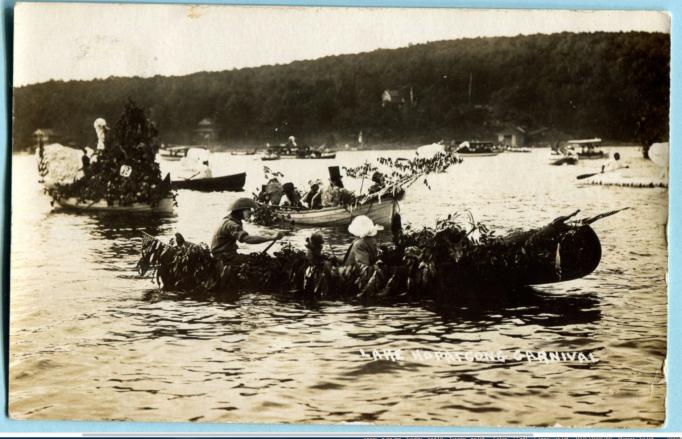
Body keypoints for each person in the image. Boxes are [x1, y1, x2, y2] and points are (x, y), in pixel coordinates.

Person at [211, 198, 284, 264]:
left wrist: (268, 235)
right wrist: (271, 237)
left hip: (223, 255)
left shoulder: (227, 220)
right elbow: (247, 239)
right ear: (240, 211)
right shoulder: (232, 224)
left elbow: (247, 236)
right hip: (225, 257)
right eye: (248, 209)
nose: (250, 212)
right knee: (260, 261)